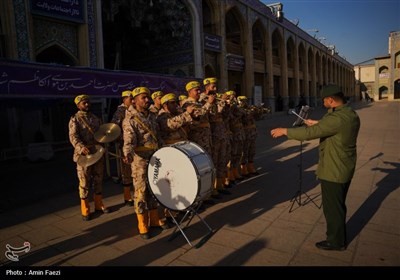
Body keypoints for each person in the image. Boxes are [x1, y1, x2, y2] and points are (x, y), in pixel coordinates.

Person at [270, 84, 360, 251]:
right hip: (343, 166)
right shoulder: (347, 113)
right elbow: (331, 126)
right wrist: (317, 123)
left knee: (333, 208)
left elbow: (308, 134)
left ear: (331, 100)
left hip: (334, 169)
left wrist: (285, 131)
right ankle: (338, 236)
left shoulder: (337, 118)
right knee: (337, 205)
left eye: (324, 100)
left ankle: (336, 241)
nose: (323, 102)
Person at [122, 87, 169, 239]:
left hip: (155, 157)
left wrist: (164, 150)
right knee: (141, 192)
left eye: (147, 97)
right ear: (135, 100)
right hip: (140, 160)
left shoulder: (152, 116)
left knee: (154, 189)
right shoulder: (130, 119)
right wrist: (127, 154)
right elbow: (128, 141)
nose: (147, 100)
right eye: (143, 98)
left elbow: (157, 136)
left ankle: (154, 219)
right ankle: (142, 224)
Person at [69, 94, 109, 221]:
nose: (87, 104)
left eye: (88, 102)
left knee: (98, 178)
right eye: (84, 103)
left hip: (96, 152)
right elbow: (73, 136)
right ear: (78, 105)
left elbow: (101, 134)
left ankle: (99, 204)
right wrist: (81, 147)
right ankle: (85, 208)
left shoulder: (95, 118)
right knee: (84, 181)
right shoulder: (74, 119)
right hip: (83, 155)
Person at [111, 90, 134, 206]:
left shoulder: (133, 110)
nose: (133, 101)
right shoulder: (120, 112)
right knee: (126, 171)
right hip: (125, 144)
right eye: (131, 99)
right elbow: (113, 128)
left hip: (135, 145)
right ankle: (127, 196)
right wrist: (122, 138)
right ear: (124, 99)